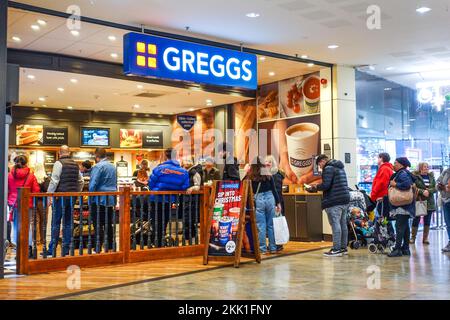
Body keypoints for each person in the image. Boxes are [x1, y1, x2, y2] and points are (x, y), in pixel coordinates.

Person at [306, 154, 350, 257]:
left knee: (335, 224)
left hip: (334, 200)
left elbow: (326, 185)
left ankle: (336, 249)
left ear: (322, 161)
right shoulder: (339, 167)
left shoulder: (328, 168)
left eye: (319, 165)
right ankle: (343, 248)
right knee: (343, 224)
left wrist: (314, 188)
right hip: (344, 199)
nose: (320, 168)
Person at [46, 145, 84, 256]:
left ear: (59, 153)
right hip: (72, 197)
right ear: (69, 152)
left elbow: (54, 181)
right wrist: (77, 192)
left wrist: (49, 196)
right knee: (68, 223)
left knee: (56, 222)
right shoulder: (75, 164)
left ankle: (52, 249)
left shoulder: (58, 163)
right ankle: (66, 249)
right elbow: (81, 181)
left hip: (60, 197)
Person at [149, 148, 189, 247]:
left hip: (156, 199)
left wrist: (157, 189)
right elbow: (184, 187)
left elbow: (150, 183)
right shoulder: (183, 172)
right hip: (170, 200)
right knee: (164, 220)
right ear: (176, 156)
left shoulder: (159, 169)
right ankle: (161, 242)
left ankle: (157, 243)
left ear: (165, 156)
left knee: (156, 221)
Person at [247, 156, 281, 255]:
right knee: (271, 225)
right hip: (270, 198)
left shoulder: (251, 175)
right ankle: (273, 248)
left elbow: (249, 190)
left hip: (259, 199)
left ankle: (262, 249)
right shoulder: (267, 173)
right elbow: (274, 189)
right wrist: (278, 203)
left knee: (261, 226)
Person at [7, 155, 40, 255]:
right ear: (26, 163)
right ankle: (29, 249)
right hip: (27, 204)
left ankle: (19, 250)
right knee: (27, 227)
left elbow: (7, 189)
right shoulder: (31, 176)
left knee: (17, 227)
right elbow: (36, 191)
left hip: (14, 204)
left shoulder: (9, 175)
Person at [89, 148, 118, 253]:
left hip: (99, 199)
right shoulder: (113, 166)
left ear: (96, 156)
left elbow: (93, 185)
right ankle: (110, 246)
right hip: (110, 199)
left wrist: (90, 197)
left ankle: (97, 248)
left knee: (98, 224)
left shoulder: (98, 167)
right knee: (108, 223)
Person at [387, 157, 416, 258]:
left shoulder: (402, 173)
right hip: (406, 206)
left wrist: (395, 184)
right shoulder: (405, 172)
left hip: (402, 205)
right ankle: (405, 248)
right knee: (405, 227)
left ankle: (397, 249)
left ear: (401, 165)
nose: (393, 165)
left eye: (395, 163)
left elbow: (406, 185)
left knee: (399, 227)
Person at [411, 162, 436, 245]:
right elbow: (413, 187)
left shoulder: (431, 176)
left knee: (427, 220)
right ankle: (413, 238)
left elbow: (435, 188)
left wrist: (428, 191)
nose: (426, 168)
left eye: (427, 167)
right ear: (420, 168)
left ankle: (425, 238)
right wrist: (422, 192)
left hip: (430, 201)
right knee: (416, 219)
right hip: (420, 200)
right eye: (425, 167)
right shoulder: (415, 177)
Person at [265, 155, 286, 251]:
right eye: (266, 162)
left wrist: (277, 203)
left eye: (269, 162)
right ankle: (275, 244)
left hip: (277, 202)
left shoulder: (276, 174)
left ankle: (278, 244)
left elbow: (276, 190)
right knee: (274, 224)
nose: (267, 163)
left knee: (276, 224)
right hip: (274, 202)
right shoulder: (269, 174)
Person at [33, 163, 50, 245]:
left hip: (33, 200)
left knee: (35, 221)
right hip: (43, 201)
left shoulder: (32, 177)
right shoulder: (46, 178)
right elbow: (47, 189)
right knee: (44, 221)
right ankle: (43, 240)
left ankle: (35, 240)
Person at [436, 167, 450, 253]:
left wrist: (447, 187)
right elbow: (438, 182)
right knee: (448, 223)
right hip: (446, 200)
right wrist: (439, 186)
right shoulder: (446, 171)